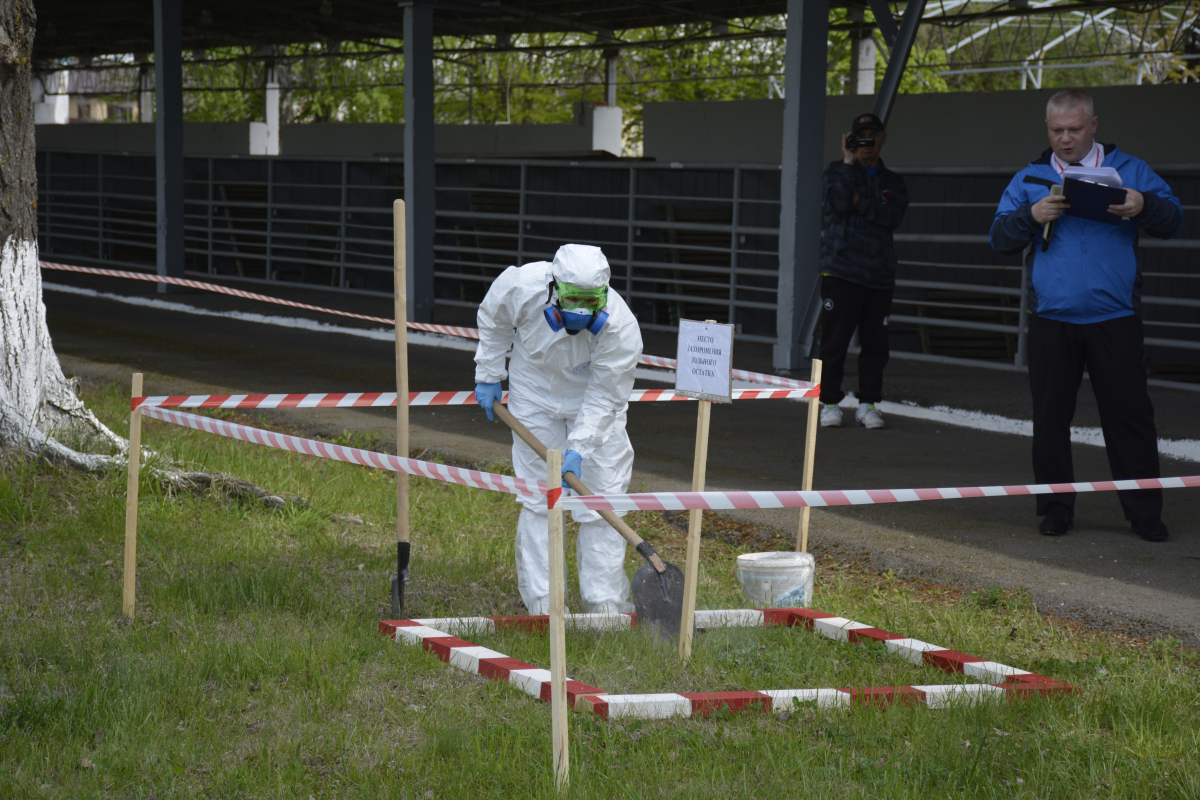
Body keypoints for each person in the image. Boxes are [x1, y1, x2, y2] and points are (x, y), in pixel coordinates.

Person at [990, 88, 1182, 541]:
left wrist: (1144, 205)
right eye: (1057, 131)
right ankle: (1056, 507)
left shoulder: (1132, 171)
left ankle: (1144, 512)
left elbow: (1173, 220)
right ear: (1048, 130)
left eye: (1075, 129)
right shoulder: (1030, 178)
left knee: (1130, 418)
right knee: (1051, 418)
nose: (1066, 139)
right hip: (1052, 320)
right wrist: (1030, 215)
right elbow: (999, 239)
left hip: (1115, 317)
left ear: (1094, 125)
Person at [473, 244, 643, 614]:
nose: (581, 309)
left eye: (590, 300)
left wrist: (579, 448)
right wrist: (488, 373)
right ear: (554, 286)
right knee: (540, 497)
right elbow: (494, 318)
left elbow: (605, 395)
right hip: (534, 388)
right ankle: (545, 603)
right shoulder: (522, 286)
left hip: (589, 396)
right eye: (572, 299)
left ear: (604, 295)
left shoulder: (621, 326)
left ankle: (604, 603)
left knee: (602, 496)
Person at [816, 112, 909, 430]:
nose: (867, 144)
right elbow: (839, 203)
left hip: (879, 276)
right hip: (841, 272)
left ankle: (868, 405)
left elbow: (894, 216)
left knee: (875, 346)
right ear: (852, 141)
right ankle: (829, 404)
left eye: (873, 136)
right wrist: (847, 162)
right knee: (833, 343)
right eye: (861, 138)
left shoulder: (893, 182)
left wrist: (862, 202)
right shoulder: (836, 171)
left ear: (883, 139)